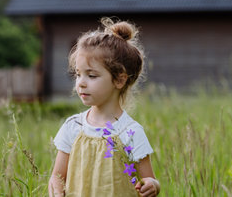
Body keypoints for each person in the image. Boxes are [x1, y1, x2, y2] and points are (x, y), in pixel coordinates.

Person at [48, 17, 160, 197]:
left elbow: (149, 179)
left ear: (119, 80)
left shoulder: (130, 132)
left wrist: (152, 185)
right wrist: (56, 187)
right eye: (78, 74)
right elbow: (57, 176)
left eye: (91, 76)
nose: (81, 83)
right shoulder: (73, 127)